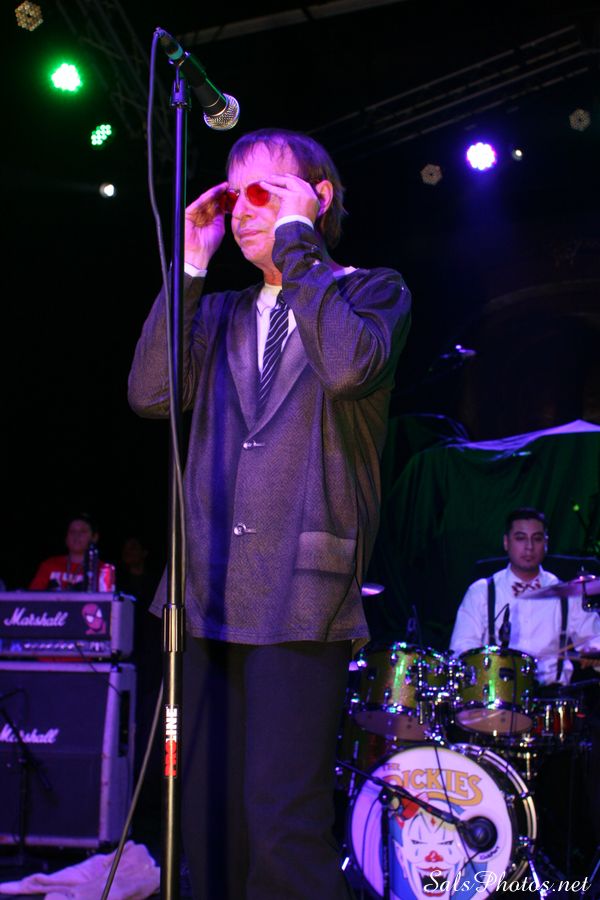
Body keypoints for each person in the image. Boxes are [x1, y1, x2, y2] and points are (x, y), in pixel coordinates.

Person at [128, 127, 411, 900]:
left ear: (318, 198)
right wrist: (191, 265)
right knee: (205, 819)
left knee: (281, 823)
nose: (244, 210)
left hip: (301, 591)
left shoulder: (370, 293)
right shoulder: (217, 311)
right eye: (234, 195)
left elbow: (348, 369)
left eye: (266, 192)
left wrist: (299, 249)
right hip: (206, 591)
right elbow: (149, 393)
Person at [450, 506, 600, 688]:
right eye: (520, 538)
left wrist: (593, 653)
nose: (529, 547)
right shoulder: (481, 592)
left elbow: (594, 638)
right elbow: (462, 649)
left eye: (537, 539)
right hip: (495, 694)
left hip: (553, 696)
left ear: (546, 543)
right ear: (506, 542)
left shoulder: (567, 595)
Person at [29, 513, 100, 591]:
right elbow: (32, 596)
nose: (76, 535)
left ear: (94, 537)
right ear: (66, 537)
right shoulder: (49, 565)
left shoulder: (102, 570)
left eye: (83, 531)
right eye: (72, 531)